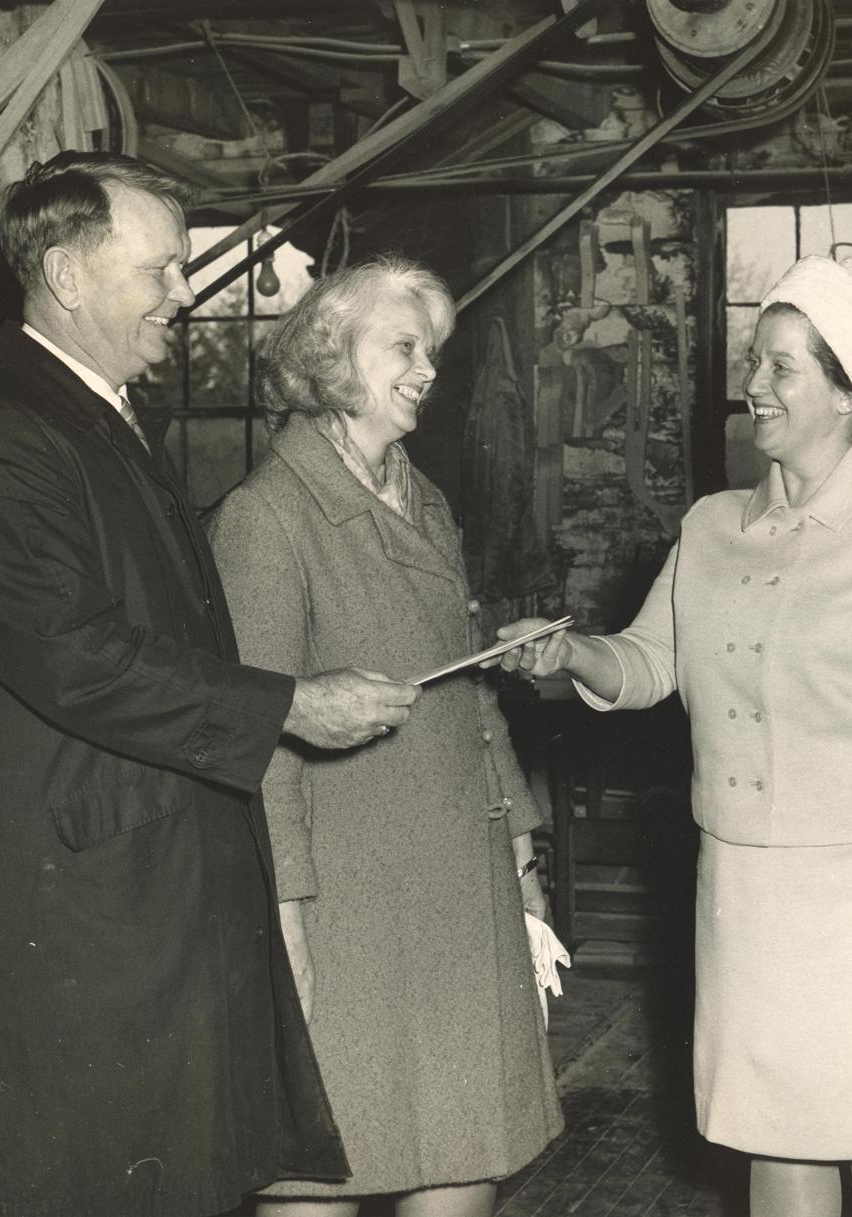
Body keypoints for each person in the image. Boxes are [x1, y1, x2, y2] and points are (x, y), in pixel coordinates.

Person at [0, 152, 421, 1217]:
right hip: (58, 925)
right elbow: (75, 653)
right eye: (163, 270)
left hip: (126, 908)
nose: (185, 293)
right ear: (68, 278)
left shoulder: (89, 416)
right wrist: (291, 703)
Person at [494, 256, 852, 1217]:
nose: (754, 386)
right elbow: (649, 662)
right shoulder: (713, 526)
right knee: (774, 1136)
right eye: (756, 361)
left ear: (850, 394)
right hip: (747, 890)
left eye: (784, 369)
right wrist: (570, 654)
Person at [208, 256, 563, 1217]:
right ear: (332, 354)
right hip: (341, 902)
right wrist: (283, 920)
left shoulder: (426, 500)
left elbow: (468, 686)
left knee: (465, 1148)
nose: (427, 371)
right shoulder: (265, 518)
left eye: (433, 352)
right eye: (404, 347)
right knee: (326, 1159)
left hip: (460, 877)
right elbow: (257, 738)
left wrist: (522, 848)